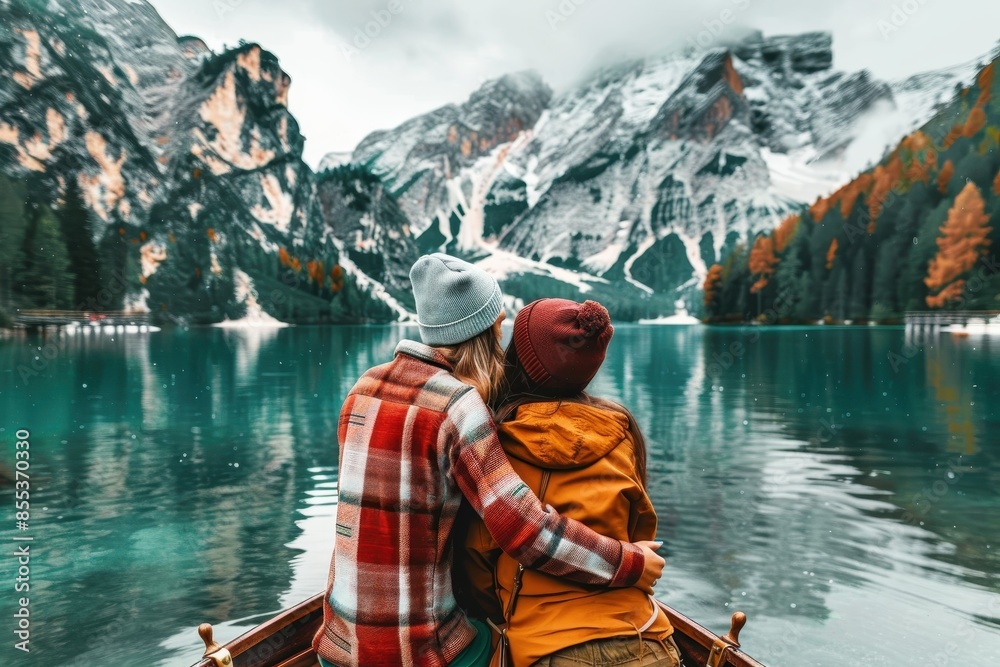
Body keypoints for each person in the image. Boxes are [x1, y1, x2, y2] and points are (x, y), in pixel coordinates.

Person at [313, 255, 665, 667]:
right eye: (498, 327)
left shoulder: (362, 388)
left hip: (337, 647)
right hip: (417, 655)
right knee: (493, 638)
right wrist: (629, 562)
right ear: (484, 332)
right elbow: (526, 532)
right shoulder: (458, 407)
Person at [457, 298, 680, 667]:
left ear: (518, 361)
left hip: (544, 650)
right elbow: (642, 530)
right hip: (642, 639)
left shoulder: (495, 442)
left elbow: (477, 556)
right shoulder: (622, 432)